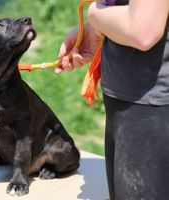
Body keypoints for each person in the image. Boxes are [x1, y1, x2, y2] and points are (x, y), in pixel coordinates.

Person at [56, 0, 169, 199]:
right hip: (130, 98)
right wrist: (97, 29)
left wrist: (93, 14)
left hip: (151, 106)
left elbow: (143, 31)